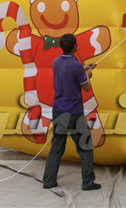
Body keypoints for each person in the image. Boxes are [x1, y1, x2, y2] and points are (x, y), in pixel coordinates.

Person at [42, 33, 101, 191]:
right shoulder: (76, 65)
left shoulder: (56, 62)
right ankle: (88, 182)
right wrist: (88, 74)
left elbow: (69, 74)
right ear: (75, 46)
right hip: (74, 113)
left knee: (57, 147)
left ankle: (48, 180)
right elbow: (86, 87)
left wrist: (84, 69)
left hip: (58, 110)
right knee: (85, 147)